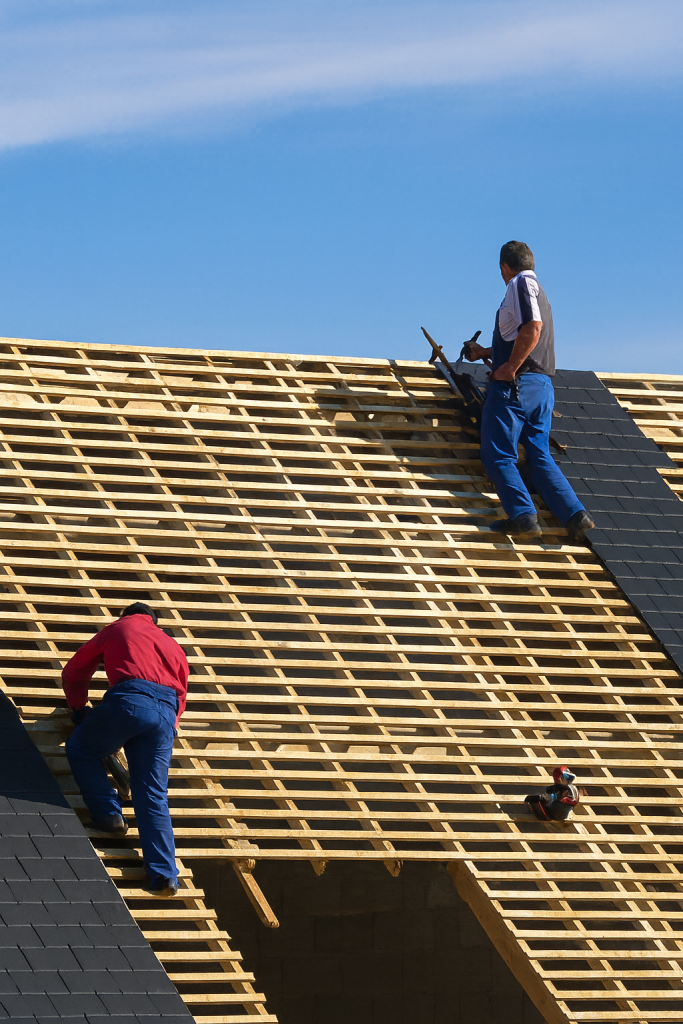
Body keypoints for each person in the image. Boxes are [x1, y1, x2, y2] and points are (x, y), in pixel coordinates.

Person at [465, 240, 594, 541]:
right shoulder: (540, 291)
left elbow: (532, 327)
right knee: (539, 454)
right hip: (540, 387)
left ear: (504, 267)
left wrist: (508, 369)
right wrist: (485, 351)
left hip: (516, 387)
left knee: (498, 454)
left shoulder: (519, 283)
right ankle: (575, 514)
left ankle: (523, 515)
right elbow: (525, 334)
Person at [63, 602, 189, 897]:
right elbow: (181, 694)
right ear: (154, 621)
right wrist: (167, 725)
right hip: (166, 715)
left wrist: (78, 709)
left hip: (131, 701)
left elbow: (75, 671)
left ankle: (109, 815)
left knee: (82, 747)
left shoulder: (120, 628)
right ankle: (165, 876)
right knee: (152, 794)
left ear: (127, 615)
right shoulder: (173, 645)